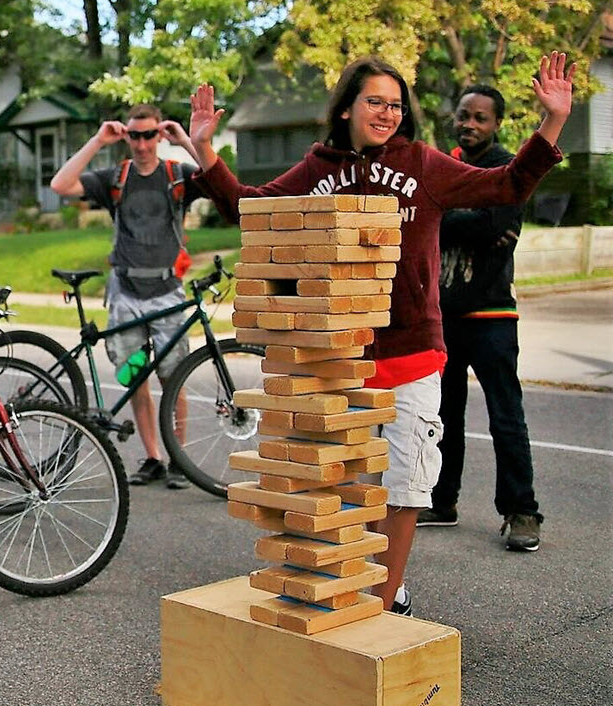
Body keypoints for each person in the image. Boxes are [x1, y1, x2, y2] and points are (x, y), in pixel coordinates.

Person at [185, 52, 575, 614]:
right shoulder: (319, 167)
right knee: (337, 486)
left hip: (411, 354)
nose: (388, 112)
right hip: (336, 358)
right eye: (375, 101)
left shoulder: (423, 163)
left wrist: (552, 120)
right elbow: (254, 210)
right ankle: (341, 588)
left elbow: (508, 186)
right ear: (346, 108)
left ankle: (382, 602)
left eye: (396, 104)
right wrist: (204, 149)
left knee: (404, 488)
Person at [50, 104, 202, 490]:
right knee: (134, 377)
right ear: (127, 137)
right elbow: (61, 185)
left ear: (158, 136)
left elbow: (216, 175)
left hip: (167, 290)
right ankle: (152, 456)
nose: (142, 143)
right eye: (135, 135)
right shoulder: (115, 177)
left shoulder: (176, 174)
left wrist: (184, 139)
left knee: (173, 377)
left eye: (149, 135)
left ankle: (177, 458)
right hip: (126, 291)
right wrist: (98, 140)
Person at [417, 85, 543, 552]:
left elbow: (496, 227)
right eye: (464, 115)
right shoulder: (443, 166)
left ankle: (522, 511)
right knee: (442, 415)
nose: (470, 124)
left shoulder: (508, 169)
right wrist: (458, 217)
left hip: (492, 315)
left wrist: (446, 216)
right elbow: (427, 219)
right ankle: (442, 500)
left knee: (506, 417)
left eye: (481, 118)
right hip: (444, 316)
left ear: (496, 124)